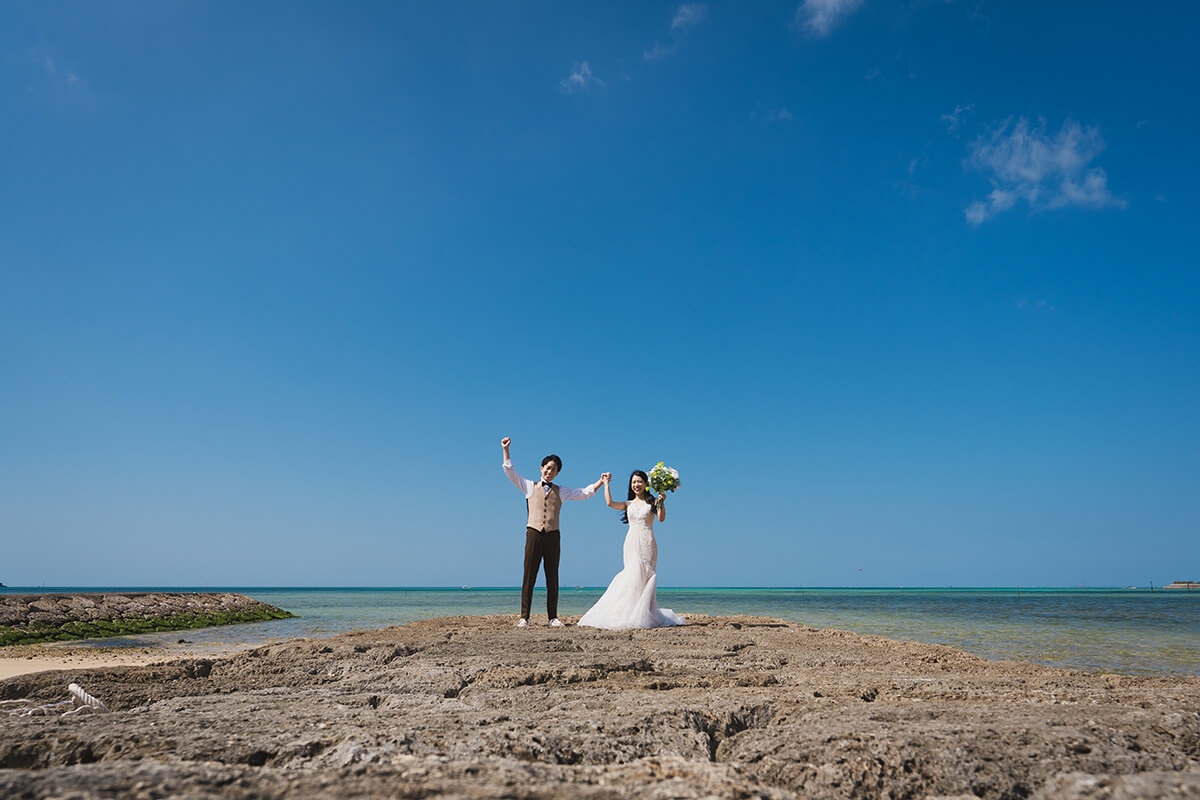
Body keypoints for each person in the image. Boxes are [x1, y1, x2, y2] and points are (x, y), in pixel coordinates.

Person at [501, 437, 605, 628]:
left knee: (552, 576)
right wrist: (506, 450)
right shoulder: (528, 486)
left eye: (553, 470)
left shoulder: (561, 491)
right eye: (547, 468)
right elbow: (510, 472)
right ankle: (524, 617)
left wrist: (601, 481)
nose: (549, 472)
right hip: (533, 533)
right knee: (529, 576)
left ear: (557, 473)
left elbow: (583, 493)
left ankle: (552, 617)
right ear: (541, 468)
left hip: (553, 535)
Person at [577, 470, 684, 630]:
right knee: (631, 575)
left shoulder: (652, 502)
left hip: (648, 542)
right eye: (633, 482)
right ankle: (627, 613)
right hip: (631, 543)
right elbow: (609, 503)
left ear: (646, 484)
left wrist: (662, 501)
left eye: (639, 481)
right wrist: (606, 484)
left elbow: (661, 518)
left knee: (646, 576)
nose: (636, 485)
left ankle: (644, 613)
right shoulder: (628, 504)